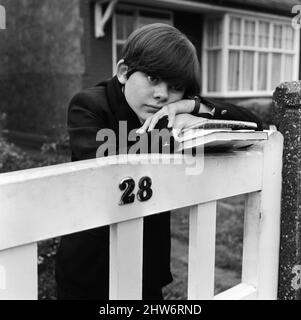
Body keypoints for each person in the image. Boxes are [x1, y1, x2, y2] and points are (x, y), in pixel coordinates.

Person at [55, 23, 262, 300]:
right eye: (153, 78)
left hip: (146, 267)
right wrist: (176, 138)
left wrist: (191, 107)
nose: (162, 94)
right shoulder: (90, 105)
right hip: (90, 268)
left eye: (174, 87)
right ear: (124, 72)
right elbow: (107, 165)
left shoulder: (173, 112)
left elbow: (255, 124)